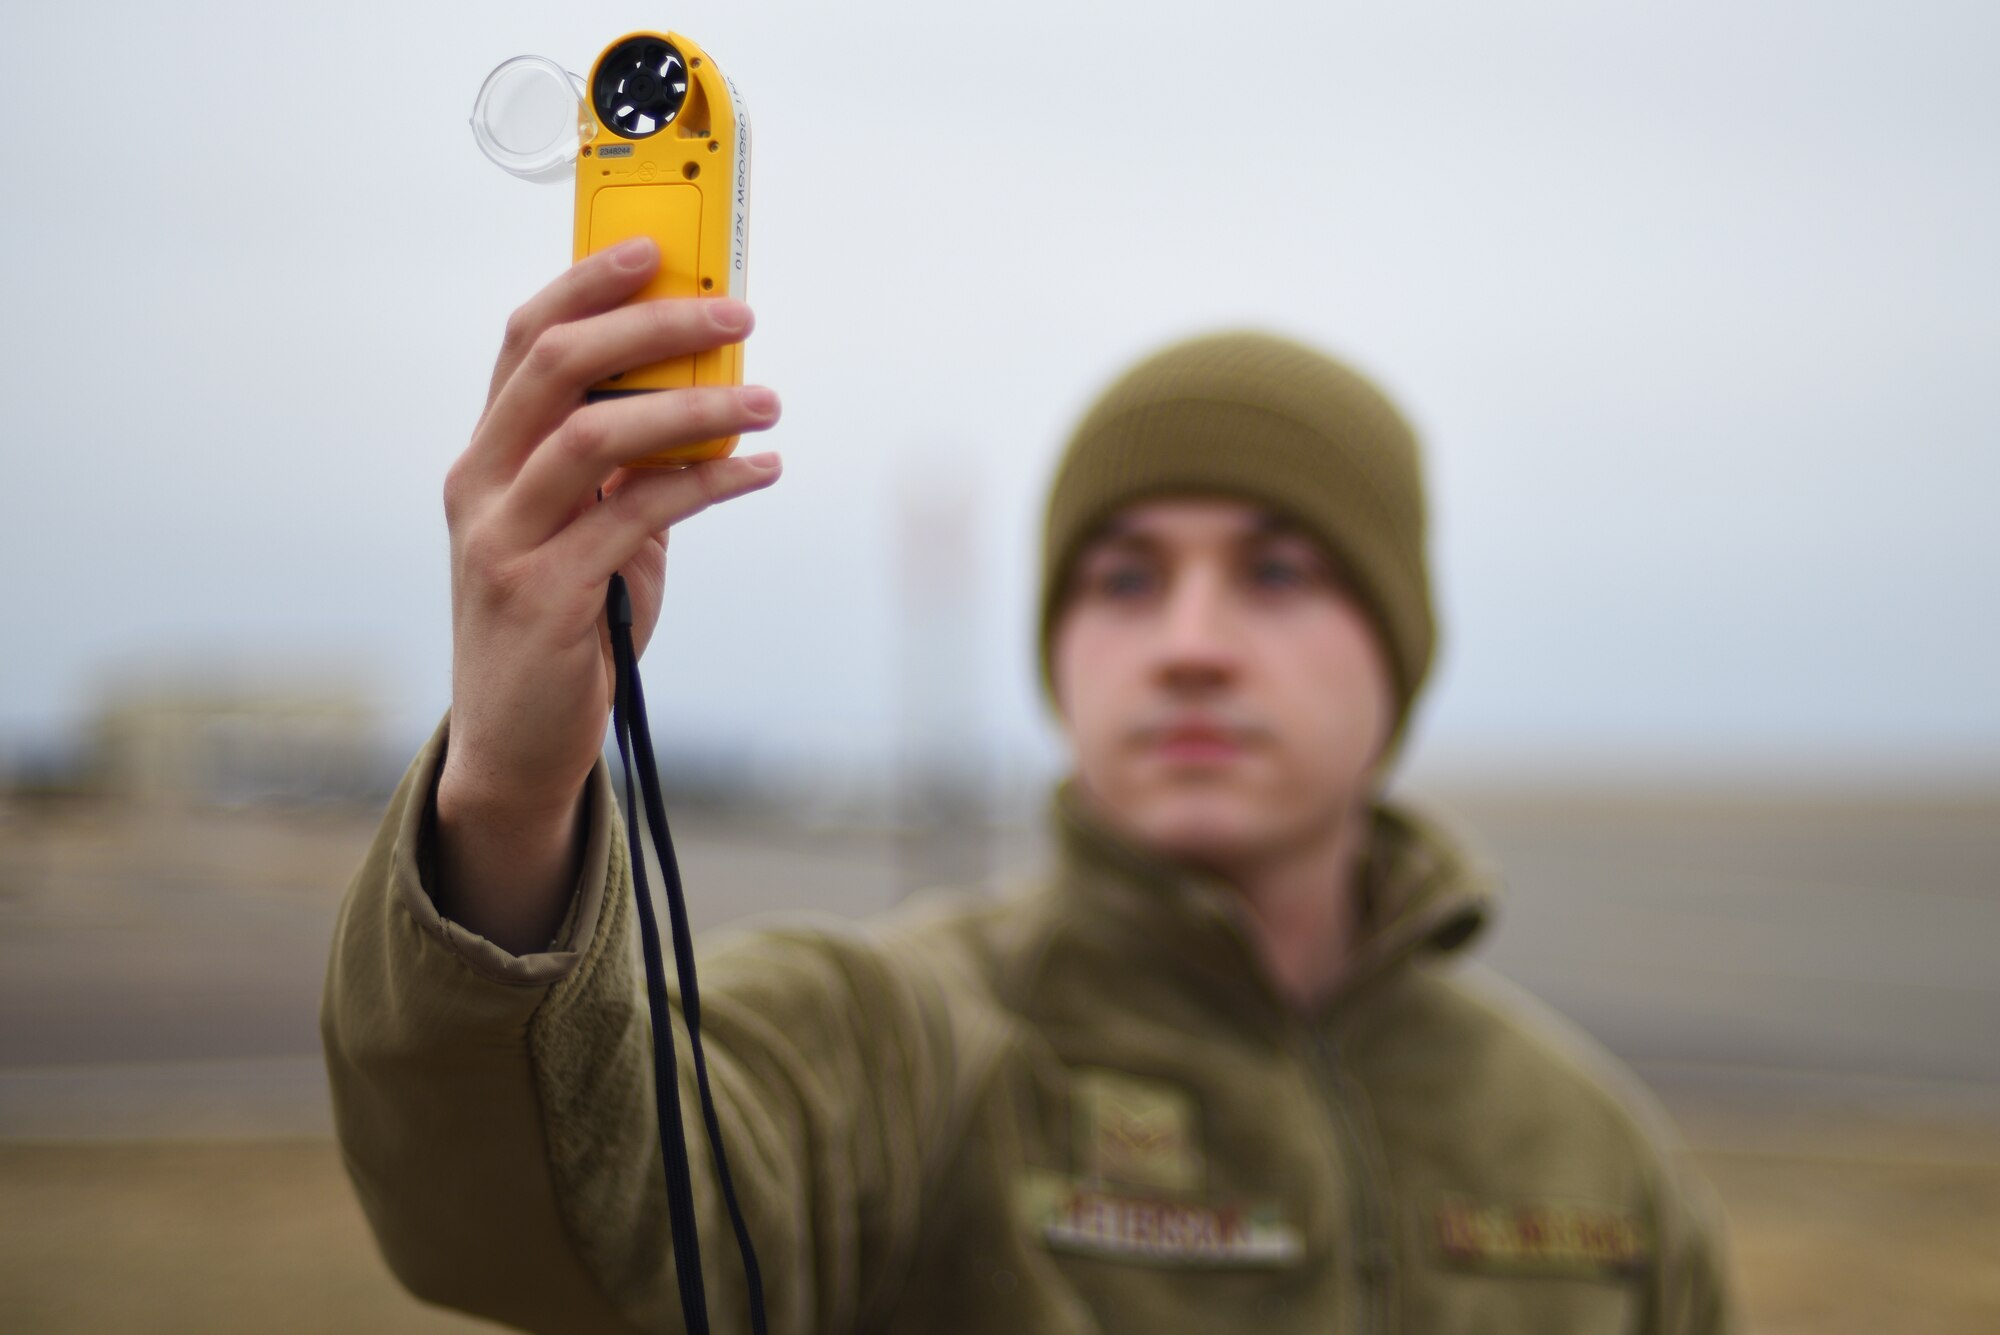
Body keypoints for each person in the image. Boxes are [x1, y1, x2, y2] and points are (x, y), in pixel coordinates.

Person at [322, 236, 1739, 1333]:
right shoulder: (903, 1050)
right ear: (1060, 647)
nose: (1190, 647)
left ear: (1403, 642)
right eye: (1124, 578)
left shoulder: (1589, 1152)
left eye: (1278, 571)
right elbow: (546, 1225)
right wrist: (509, 796)